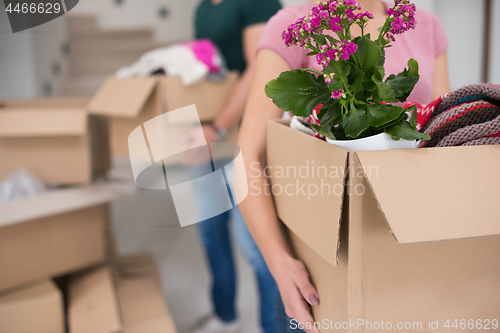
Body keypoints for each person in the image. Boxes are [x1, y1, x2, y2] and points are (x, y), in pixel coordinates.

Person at [236, 1, 450, 332]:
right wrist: (280, 264)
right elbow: (246, 157)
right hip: (322, 263)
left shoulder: (426, 25)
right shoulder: (295, 23)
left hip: (410, 251)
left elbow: (442, 127)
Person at [188, 0, 282, 332]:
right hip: (206, 135)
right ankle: (224, 316)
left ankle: (272, 326)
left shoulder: (256, 2)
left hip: (243, 136)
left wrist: (220, 126)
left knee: (257, 246)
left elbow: (260, 67)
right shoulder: (202, 8)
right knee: (210, 231)